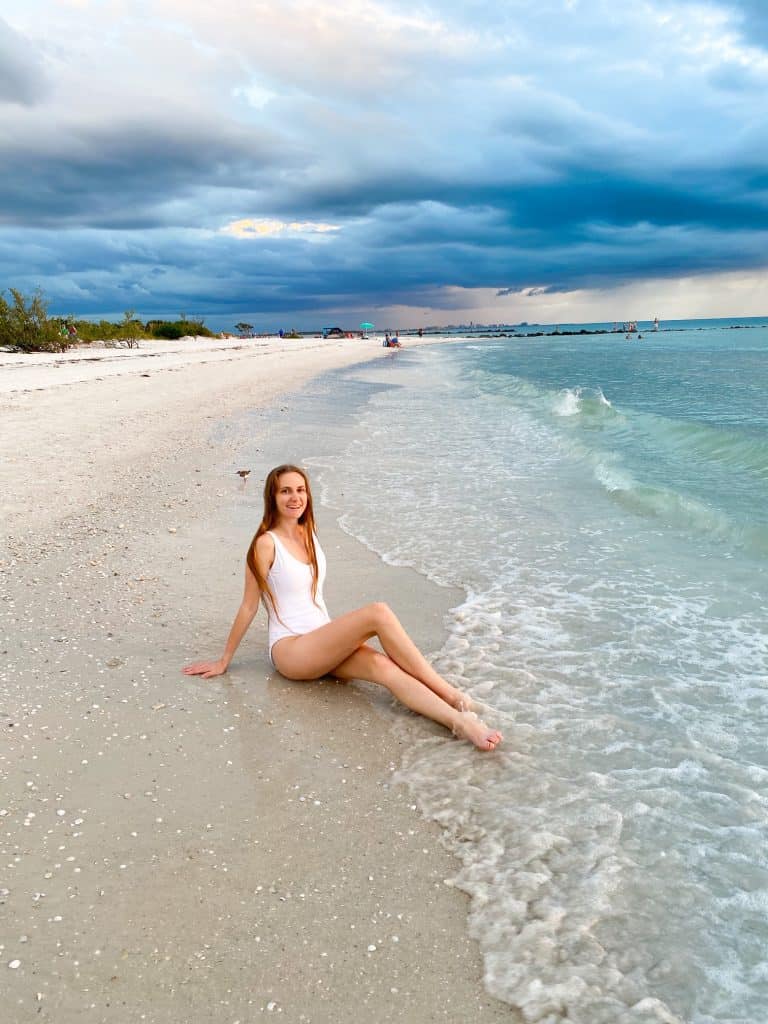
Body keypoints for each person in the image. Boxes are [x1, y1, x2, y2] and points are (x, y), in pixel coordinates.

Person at [183, 465, 503, 751]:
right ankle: (452, 695)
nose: (295, 497)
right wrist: (224, 660)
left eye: (300, 490)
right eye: (285, 491)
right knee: (378, 612)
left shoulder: (308, 532)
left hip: (321, 640)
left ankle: (460, 722)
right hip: (291, 651)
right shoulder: (265, 544)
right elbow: (249, 605)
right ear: (272, 497)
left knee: (385, 669)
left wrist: (336, 638)